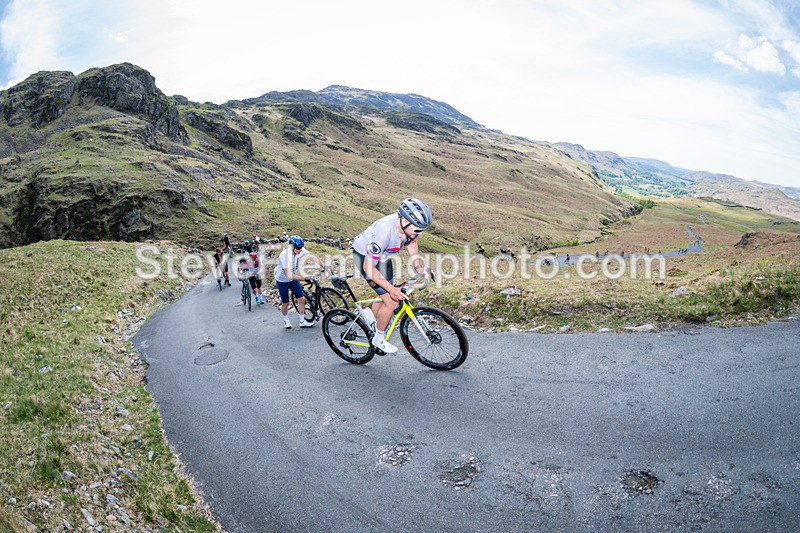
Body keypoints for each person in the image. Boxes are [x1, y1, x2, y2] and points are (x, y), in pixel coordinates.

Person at [352, 198, 432, 354]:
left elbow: (412, 242)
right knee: (391, 300)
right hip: (364, 258)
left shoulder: (408, 227)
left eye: (423, 230)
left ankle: (375, 324)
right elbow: (369, 268)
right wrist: (391, 290)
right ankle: (378, 339)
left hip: (383, 258)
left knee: (386, 295)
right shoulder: (384, 233)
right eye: (418, 229)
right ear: (404, 221)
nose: (419, 233)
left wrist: (418, 267)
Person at [274, 236, 326, 329]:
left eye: (301, 248)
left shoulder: (300, 249)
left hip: (293, 280)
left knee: (301, 299)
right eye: (298, 248)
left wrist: (324, 266)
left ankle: (302, 321)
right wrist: (305, 279)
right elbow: (289, 275)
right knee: (285, 302)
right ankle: (285, 319)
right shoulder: (284, 255)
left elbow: (312, 257)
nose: (300, 250)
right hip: (282, 281)